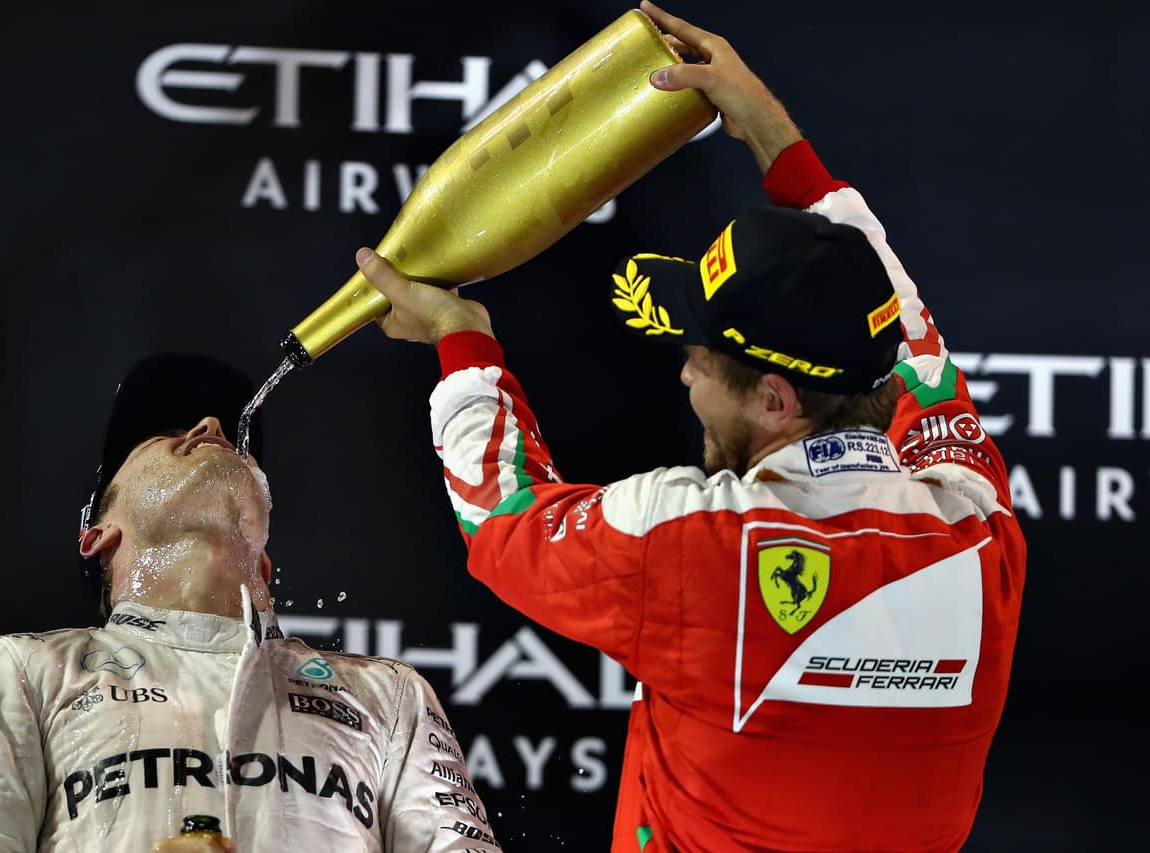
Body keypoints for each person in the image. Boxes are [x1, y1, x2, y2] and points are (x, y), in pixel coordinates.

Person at [358, 2, 1027, 851]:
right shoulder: (978, 531)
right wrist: (775, 135)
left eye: (701, 360)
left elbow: (505, 522)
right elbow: (910, 338)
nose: (681, 373)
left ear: (774, 399)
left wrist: (463, 342)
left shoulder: (692, 546)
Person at [0, 352, 498, 853]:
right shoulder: (25, 670)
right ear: (99, 537)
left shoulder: (389, 695)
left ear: (264, 561)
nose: (210, 425)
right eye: (163, 440)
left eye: (225, 436)